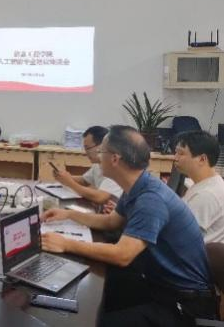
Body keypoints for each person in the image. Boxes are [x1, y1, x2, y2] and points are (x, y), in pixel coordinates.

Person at [41, 125, 218, 327]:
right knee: (86, 295)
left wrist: (66, 244)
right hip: (156, 283)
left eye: (101, 152)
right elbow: (111, 221)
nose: (98, 156)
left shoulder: (151, 199)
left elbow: (122, 255)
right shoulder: (138, 185)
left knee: (92, 319)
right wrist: (69, 214)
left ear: (115, 159)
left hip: (182, 305)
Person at [52, 125, 122, 209]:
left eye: (88, 148)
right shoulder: (97, 164)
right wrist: (64, 176)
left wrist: (69, 182)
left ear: (102, 145)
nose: (86, 152)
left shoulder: (114, 166)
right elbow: (84, 180)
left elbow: (100, 197)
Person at [174, 130, 224, 243]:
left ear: (202, 159)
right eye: (175, 152)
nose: (175, 158)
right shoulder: (205, 184)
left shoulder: (207, 195)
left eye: (181, 153)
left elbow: (181, 236)